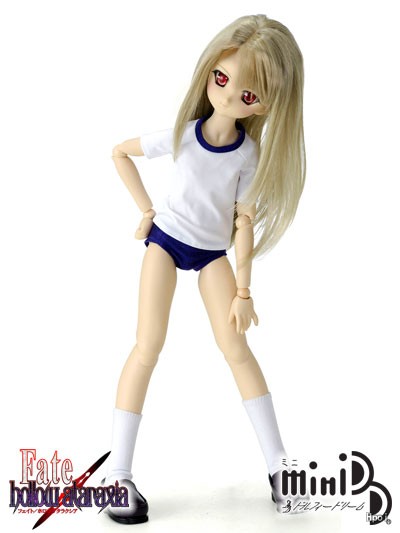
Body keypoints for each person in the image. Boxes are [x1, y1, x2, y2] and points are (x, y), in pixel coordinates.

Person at [105, 14, 306, 523]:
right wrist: (145, 210)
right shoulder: (184, 136)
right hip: (166, 243)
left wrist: (244, 290)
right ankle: (117, 474)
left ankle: (280, 467)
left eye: (248, 94)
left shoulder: (248, 155)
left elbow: (243, 221)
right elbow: (121, 153)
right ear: (211, 68)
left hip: (213, 254)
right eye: (223, 78)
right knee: (147, 345)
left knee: (237, 349)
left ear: (265, 105)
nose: (230, 95)